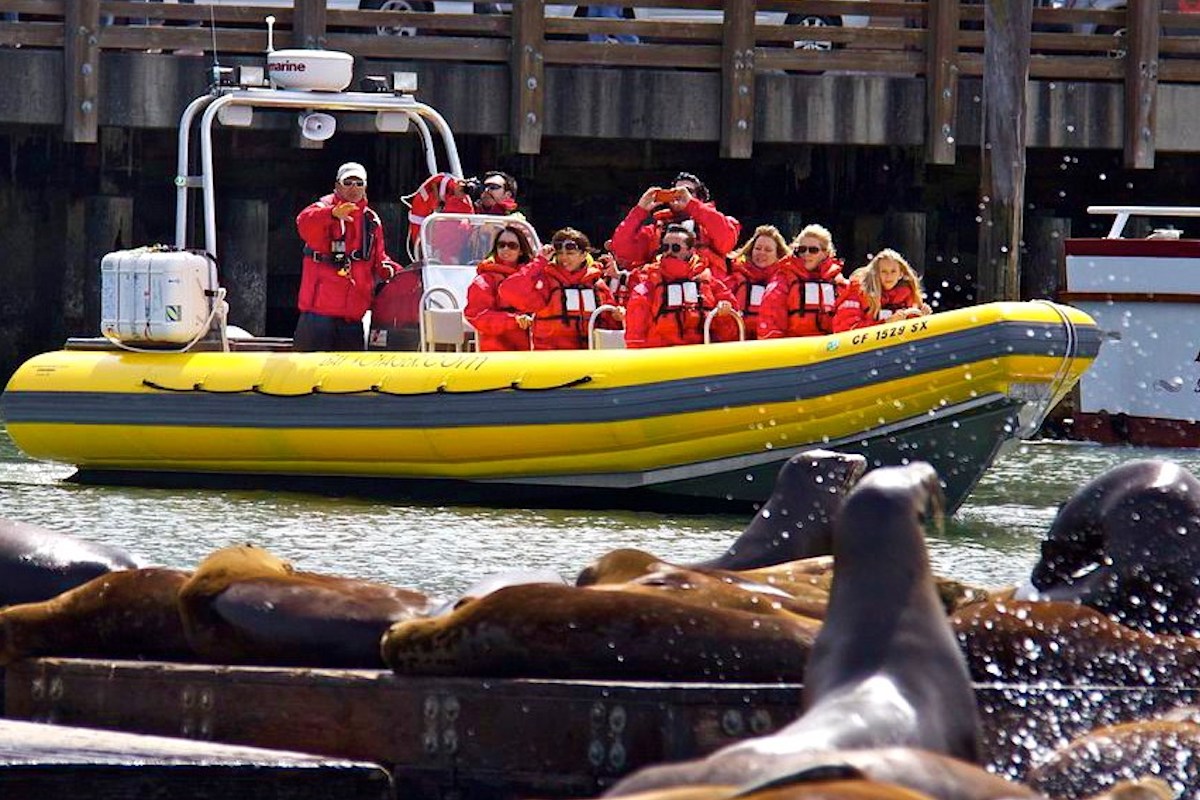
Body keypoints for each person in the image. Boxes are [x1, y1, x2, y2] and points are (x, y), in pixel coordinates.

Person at [294, 162, 398, 352]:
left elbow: (379, 257)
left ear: (365, 187)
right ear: (337, 186)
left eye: (358, 183)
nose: (353, 188)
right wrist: (332, 214)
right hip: (319, 315)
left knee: (349, 379)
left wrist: (394, 272)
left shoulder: (371, 220)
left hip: (352, 316)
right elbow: (303, 222)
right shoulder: (322, 208)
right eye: (348, 182)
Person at [499, 228, 624, 350]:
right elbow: (508, 290)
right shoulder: (546, 282)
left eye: (570, 253)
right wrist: (539, 261)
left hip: (589, 357)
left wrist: (618, 316)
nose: (564, 258)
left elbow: (612, 322)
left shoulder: (597, 284)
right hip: (553, 360)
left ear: (583, 255)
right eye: (560, 253)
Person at [624, 224, 741, 349]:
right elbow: (635, 336)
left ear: (691, 250)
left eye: (675, 248)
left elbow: (731, 332)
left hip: (701, 355)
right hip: (662, 356)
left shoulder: (711, 284)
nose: (669, 252)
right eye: (665, 247)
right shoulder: (648, 286)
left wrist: (724, 313)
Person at [610, 172, 740, 279]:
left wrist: (692, 205)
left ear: (700, 197)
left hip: (706, 297)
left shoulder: (718, 223)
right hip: (663, 297)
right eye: (675, 192)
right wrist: (640, 210)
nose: (680, 195)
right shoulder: (656, 230)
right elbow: (622, 249)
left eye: (687, 191)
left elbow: (727, 241)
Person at [756, 224, 846, 339]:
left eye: (813, 250)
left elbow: (847, 319)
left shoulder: (839, 282)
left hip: (829, 347)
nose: (806, 254)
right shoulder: (784, 278)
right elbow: (771, 317)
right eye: (802, 249)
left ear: (825, 253)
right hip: (794, 348)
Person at [464, 225, 536, 351]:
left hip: (533, 351)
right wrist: (514, 320)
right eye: (501, 245)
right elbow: (476, 316)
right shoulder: (484, 280)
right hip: (497, 353)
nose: (505, 249)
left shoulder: (535, 277)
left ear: (521, 251)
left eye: (512, 245)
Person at [832, 247, 932, 333]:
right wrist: (886, 323)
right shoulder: (858, 291)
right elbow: (846, 329)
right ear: (876, 273)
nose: (889, 276)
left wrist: (922, 318)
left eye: (893, 271)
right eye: (884, 271)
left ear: (901, 274)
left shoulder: (909, 296)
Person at [725, 225, 791, 339]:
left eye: (768, 250)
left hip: (772, 345)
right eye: (758, 248)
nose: (761, 253)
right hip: (739, 343)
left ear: (778, 255)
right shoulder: (735, 278)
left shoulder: (786, 282)